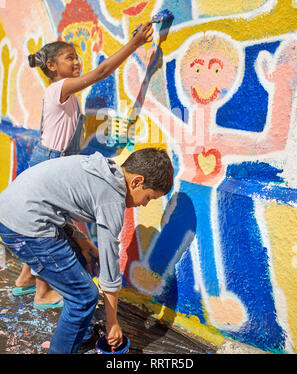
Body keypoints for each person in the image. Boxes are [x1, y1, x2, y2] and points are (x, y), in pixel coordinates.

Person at [12, 22, 153, 308]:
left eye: (77, 57)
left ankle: (24, 280)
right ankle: (43, 292)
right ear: (51, 66)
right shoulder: (59, 89)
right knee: (50, 225)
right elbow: (101, 73)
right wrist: (134, 44)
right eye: (69, 58)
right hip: (50, 158)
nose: (77, 62)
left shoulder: (66, 94)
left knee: (48, 220)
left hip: (50, 158)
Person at [0, 147, 174, 354]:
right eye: (148, 198)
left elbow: (59, 203)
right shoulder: (113, 198)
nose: (144, 205)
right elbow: (110, 270)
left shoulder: (101, 170)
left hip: (13, 212)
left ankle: (80, 333)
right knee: (84, 296)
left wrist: (83, 242)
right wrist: (112, 323)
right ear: (136, 182)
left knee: (82, 260)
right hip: (25, 228)